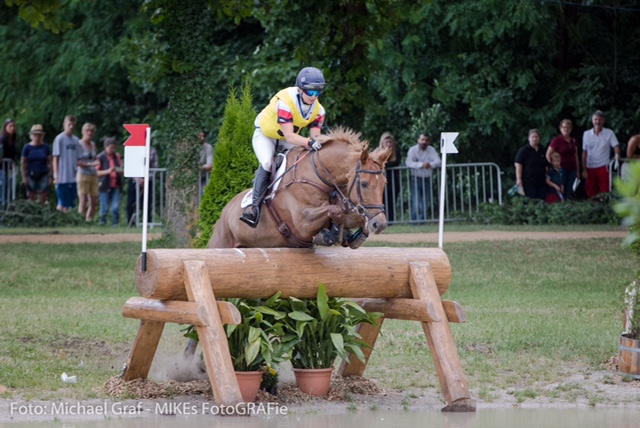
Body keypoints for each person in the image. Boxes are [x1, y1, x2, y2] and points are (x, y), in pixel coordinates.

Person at [239, 66, 326, 228]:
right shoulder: (285, 102)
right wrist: (309, 142)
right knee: (266, 163)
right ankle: (254, 208)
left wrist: (316, 144)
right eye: (311, 92)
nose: (314, 97)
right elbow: (290, 136)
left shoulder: (319, 111)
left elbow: (315, 137)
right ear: (300, 90)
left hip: (287, 140)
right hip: (266, 135)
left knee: (304, 160)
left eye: (318, 92)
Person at [581, 110, 620, 199]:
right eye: (595, 119)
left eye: (600, 119)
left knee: (605, 191)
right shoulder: (586, 134)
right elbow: (584, 152)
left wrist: (617, 156)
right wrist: (584, 169)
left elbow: (616, 146)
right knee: (591, 192)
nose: (597, 122)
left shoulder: (609, 133)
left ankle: (604, 210)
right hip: (590, 167)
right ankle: (593, 211)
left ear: (603, 121)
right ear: (592, 120)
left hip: (604, 166)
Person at [405, 133, 441, 222]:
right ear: (418, 140)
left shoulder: (431, 150)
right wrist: (421, 164)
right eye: (422, 140)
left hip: (427, 179)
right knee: (416, 202)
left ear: (429, 141)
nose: (424, 142)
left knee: (425, 202)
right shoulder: (412, 150)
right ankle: (413, 222)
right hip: (416, 179)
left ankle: (422, 222)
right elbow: (408, 163)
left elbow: (438, 161)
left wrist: (430, 164)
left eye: (426, 140)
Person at [52, 115, 80, 212]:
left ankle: (68, 217)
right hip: (62, 174)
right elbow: (56, 157)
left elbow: (77, 158)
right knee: (63, 199)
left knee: (71, 200)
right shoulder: (59, 139)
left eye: (73, 124)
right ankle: (60, 217)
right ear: (64, 125)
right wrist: (56, 174)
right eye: (69, 124)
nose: (71, 127)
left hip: (72, 174)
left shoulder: (76, 140)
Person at [546, 119, 579, 200]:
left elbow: (576, 155)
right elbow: (548, 154)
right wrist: (553, 168)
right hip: (561, 169)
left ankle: (567, 206)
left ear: (570, 129)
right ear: (560, 128)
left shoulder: (573, 140)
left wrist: (578, 171)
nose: (566, 129)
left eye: (568, 127)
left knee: (570, 189)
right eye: (564, 127)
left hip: (572, 169)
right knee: (560, 189)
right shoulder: (557, 140)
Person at [126, 146, 158, 225]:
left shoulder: (152, 151)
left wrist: (146, 179)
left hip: (148, 180)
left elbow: (155, 167)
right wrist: (137, 179)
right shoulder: (133, 150)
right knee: (131, 202)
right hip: (134, 180)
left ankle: (147, 221)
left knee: (147, 202)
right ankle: (131, 222)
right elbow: (130, 165)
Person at [20, 124, 52, 204]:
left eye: (39, 134)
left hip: (43, 173)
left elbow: (50, 162)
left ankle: (41, 213)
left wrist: (51, 176)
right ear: (31, 135)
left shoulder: (46, 147)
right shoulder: (27, 147)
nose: (37, 136)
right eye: (35, 134)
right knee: (31, 197)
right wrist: (24, 177)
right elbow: (23, 163)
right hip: (31, 173)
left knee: (43, 197)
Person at [96, 137, 123, 226]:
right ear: (105, 147)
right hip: (104, 184)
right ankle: (102, 222)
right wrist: (108, 171)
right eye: (111, 148)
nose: (112, 150)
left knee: (115, 206)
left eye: (114, 148)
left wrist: (118, 170)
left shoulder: (117, 156)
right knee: (104, 207)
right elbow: (96, 172)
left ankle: (115, 222)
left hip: (116, 185)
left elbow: (122, 169)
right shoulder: (100, 157)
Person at [515, 129, 548, 200]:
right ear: (529, 138)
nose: (534, 139)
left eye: (536, 137)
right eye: (532, 137)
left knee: (541, 202)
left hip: (541, 181)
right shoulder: (523, 150)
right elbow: (518, 165)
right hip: (528, 182)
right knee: (530, 202)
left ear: (539, 139)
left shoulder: (542, 150)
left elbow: (546, 164)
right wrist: (519, 179)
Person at [77, 123, 99, 221]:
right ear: (83, 132)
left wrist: (97, 162)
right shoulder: (79, 144)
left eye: (91, 131)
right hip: (83, 174)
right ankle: (80, 220)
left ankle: (89, 220)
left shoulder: (93, 144)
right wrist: (90, 164)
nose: (89, 133)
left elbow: (95, 158)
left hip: (93, 174)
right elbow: (76, 161)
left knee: (94, 200)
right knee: (83, 199)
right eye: (87, 131)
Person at [378, 132, 402, 222]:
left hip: (393, 181)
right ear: (382, 143)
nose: (388, 144)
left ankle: (391, 221)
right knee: (381, 202)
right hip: (380, 182)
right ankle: (382, 220)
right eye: (386, 142)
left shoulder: (397, 151)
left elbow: (396, 162)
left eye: (390, 142)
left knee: (392, 202)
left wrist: (385, 164)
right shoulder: (377, 152)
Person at [1, 118, 18, 208]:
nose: (12, 128)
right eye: (10, 126)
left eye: (13, 126)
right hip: (2, 169)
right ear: (5, 127)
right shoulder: (2, 139)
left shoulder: (13, 141)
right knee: (3, 191)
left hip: (9, 170)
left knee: (8, 191)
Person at [198, 130, 213, 199]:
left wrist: (201, 168)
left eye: (203, 136)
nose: (202, 138)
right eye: (200, 136)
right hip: (193, 180)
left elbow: (210, 164)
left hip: (204, 177)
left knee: (205, 195)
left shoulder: (208, 147)